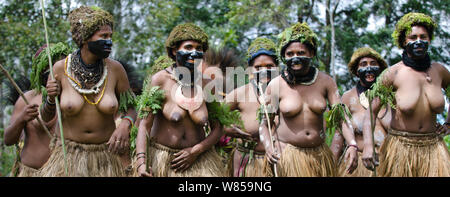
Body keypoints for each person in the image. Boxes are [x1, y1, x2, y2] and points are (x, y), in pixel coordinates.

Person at [40, 6, 136, 177]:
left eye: (110, 36)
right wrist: (49, 98)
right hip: (69, 157)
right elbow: (46, 117)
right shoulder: (60, 69)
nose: (109, 41)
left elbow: (132, 108)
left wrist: (125, 124)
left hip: (105, 158)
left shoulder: (115, 69)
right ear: (85, 38)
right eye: (104, 36)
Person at [260, 22, 357, 177]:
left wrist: (352, 144)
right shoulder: (276, 85)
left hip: (318, 156)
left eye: (301, 52)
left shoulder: (326, 81)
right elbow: (265, 123)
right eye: (289, 54)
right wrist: (268, 146)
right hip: (288, 156)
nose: (295, 57)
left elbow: (340, 116)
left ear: (311, 53)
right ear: (284, 57)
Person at [362, 12, 450, 177]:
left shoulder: (440, 72)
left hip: (433, 149)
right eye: (413, 37)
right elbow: (371, 113)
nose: (418, 41)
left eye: (423, 36)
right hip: (400, 148)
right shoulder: (393, 73)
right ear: (404, 41)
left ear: (429, 39)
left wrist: (448, 124)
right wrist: (368, 145)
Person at [135, 23, 225, 177]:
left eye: (199, 48)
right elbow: (144, 125)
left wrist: (195, 151)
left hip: (201, 161)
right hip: (165, 161)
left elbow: (218, 127)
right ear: (174, 50)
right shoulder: (160, 80)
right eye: (188, 47)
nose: (194, 52)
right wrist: (141, 163)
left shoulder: (208, 84)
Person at [4, 43, 71, 176]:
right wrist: (21, 118)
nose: (53, 72)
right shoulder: (28, 98)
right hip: (31, 172)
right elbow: (8, 140)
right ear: (39, 71)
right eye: (48, 68)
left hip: (65, 171)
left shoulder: (73, 98)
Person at [330, 47, 390, 177]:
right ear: (356, 71)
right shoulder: (347, 97)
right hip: (357, 166)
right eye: (363, 64)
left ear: (380, 69)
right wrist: (330, 169)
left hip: (387, 165)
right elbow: (338, 134)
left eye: (373, 63)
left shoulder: (391, 97)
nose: (369, 68)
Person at [224, 37, 279, 177]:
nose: (264, 71)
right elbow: (214, 115)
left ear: (277, 67)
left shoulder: (287, 92)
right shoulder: (241, 93)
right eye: (258, 67)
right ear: (250, 70)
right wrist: (228, 129)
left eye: (269, 66)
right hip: (247, 161)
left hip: (280, 162)